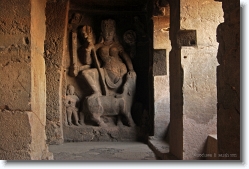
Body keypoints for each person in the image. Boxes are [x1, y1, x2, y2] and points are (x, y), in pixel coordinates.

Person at [80, 19, 135, 97]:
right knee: (85, 73)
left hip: (120, 70)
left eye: (110, 32)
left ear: (114, 33)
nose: (108, 35)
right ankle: (96, 92)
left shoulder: (117, 45)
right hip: (105, 71)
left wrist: (131, 69)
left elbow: (126, 57)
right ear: (102, 33)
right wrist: (88, 52)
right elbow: (88, 62)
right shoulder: (98, 46)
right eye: (106, 32)